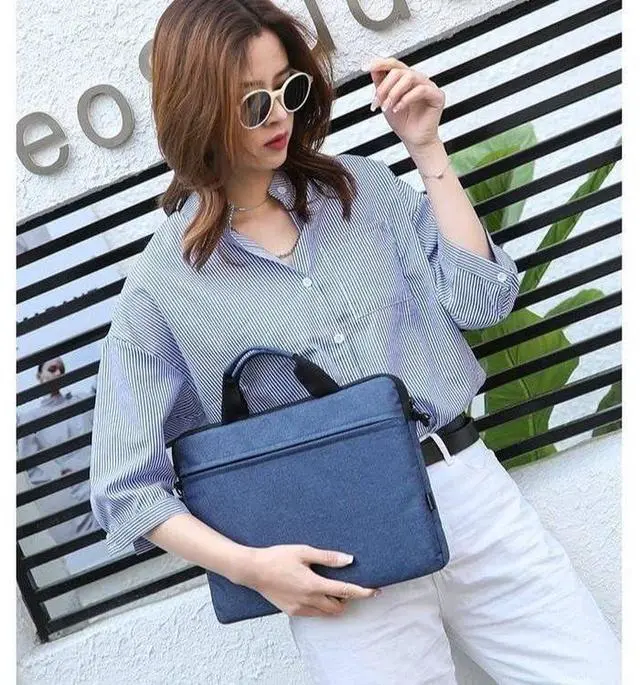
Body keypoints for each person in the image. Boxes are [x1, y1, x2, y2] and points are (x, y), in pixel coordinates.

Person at [89, 1, 621, 682]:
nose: (279, 116)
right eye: (253, 103)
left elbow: (481, 299)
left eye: (289, 88)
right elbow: (125, 486)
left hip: (468, 495)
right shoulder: (164, 283)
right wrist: (253, 569)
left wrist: (426, 148)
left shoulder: (362, 189)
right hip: (334, 552)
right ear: (197, 110)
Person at [17, 357, 103, 547]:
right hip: (71, 489)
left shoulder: (81, 401)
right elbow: (31, 465)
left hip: (100, 475)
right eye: (52, 369)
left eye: (61, 369)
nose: (58, 373)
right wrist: (59, 477)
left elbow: (102, 389)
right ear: (39, 376)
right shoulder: (29, 419)